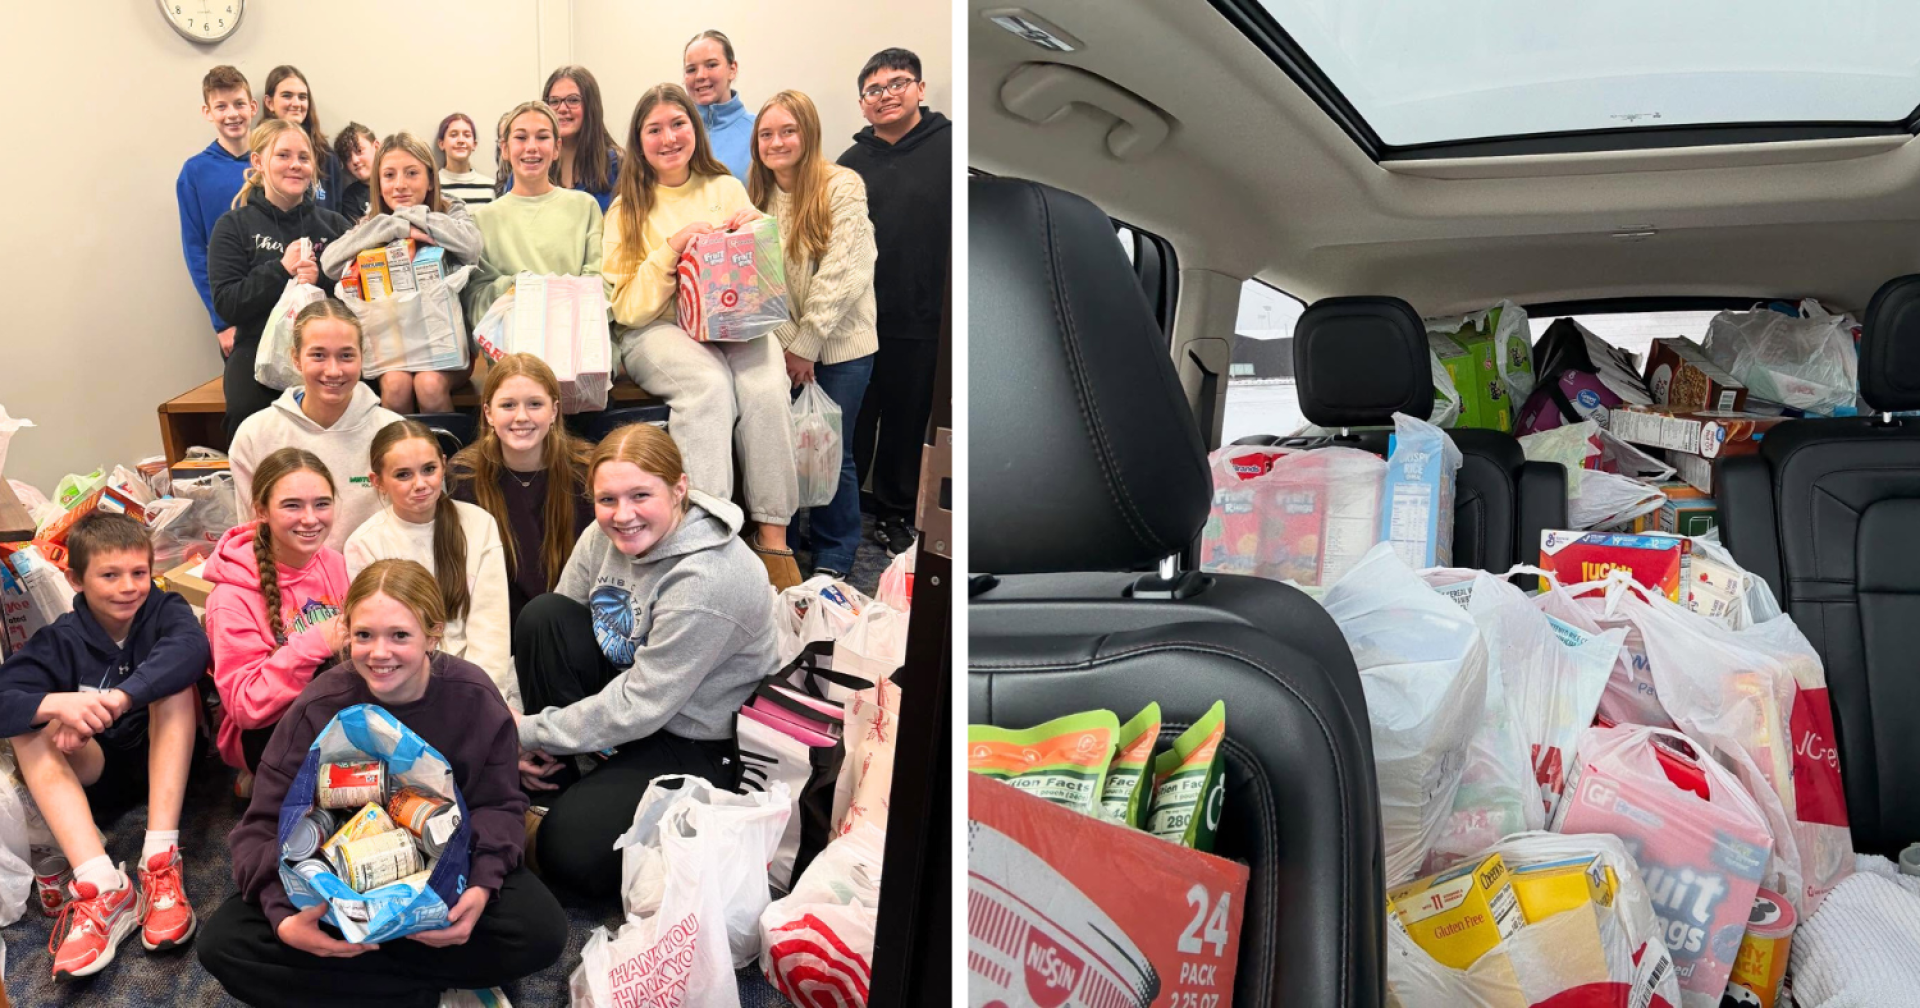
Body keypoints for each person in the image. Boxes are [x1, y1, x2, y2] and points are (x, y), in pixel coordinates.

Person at [200, 559, 565, 1008]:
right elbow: (260, 827)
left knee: (540, 930)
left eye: (400, 636)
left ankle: (366, 987)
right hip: (337, 887)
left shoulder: (473, 696)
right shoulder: (320, 704)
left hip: (443, 882)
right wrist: (281, 914)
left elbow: (500, 806)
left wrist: (482, 886)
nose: (379, 653)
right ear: (345, 632)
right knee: (223, 944)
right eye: (364, 635)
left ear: (433, 635)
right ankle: (428, 990)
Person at [512, 424, 776, 896]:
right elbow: (560, 616)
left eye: (640, 495)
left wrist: (522, 733)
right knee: (543, 617)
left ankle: (581, 788)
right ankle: (575, 773)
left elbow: (641, 706)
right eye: (607, 499)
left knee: (566, 855)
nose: (622, 515)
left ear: (679, 488)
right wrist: (515, 724)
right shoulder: (602, 533)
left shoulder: (708, 579)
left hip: (693, 737)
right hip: (629, 697)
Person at [603, 84, 800, 588]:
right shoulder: (625, 210)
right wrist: (672, 249)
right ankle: (707, 538)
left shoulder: (727, 189)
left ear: (695, 128)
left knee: (763, 389)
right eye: (654, 129)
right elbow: (627, 308)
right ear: (639, 140)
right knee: (708, 388)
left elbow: (760, 275)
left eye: (678, 124)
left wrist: (756, 232)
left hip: (735, 323)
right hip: (657, 329)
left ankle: (774, 543)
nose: (668, 137)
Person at [0, 512, 209, 981]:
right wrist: (58, 705)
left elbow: (192, 649)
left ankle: (160, 859)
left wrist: (117, 698)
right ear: (76, 578)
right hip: (100, 774)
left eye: (139, 573)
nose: (128, 587)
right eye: (109, 575)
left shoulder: (165, 609)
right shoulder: (58, 640)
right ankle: (102, 885)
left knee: (174, 684)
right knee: (28, 721)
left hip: (173, 763)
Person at [750, 90, 878, 581]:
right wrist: (786, 342)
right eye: (767, 134)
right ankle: (790, 540)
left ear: (808, 133)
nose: (777, 142)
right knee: (785, 445)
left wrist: (807, 344)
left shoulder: (841, 186)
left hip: (842, 345)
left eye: (788, 131)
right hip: (779, 345)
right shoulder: (756, 195)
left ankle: (836, 550)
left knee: (832, 451)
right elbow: (759, 276)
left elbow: (845, 271)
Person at [838, 48, 951, 558]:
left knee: (908, 422)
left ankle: (894, 513)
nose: (886, 95)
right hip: (856, 320)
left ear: (920, 89)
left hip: (923, 319)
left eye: (897, 83)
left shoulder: (950, 146)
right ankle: (845, 510)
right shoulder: (848, 165)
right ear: (863, 104)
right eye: (874, 90)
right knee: (854, 420)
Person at [347, 420, 514, 708]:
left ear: (444, 465)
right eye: (403, 475)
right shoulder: (364, 543)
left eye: (429, 469)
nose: (420, 484)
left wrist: (480, 697)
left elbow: (491, 629)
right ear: (378, 482)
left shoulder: (478, 524)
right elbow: (385, 639)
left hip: (480, 683)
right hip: (406, 687)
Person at [205, 448, 348, 774]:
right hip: (267, 731)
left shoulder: (334, 562)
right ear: (261, 510)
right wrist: (317, 642)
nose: (310, 518)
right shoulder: (230, 597)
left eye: (322, 504)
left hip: (332, 708)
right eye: (292, 505)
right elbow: (245, 707)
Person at [320, 132, 486, 413]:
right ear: (378, 181)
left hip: (447, 348)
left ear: (430, 179)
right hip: (392, 347)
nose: (400, 185)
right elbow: (329, 263)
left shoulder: (450, 209)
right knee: (396, 386)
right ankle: (396, 457)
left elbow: (471, 247)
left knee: (429, 385)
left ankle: (447, 457)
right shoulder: (373, 223)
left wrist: (414, 215)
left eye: (412, 173)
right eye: (389, 175)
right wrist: (394, 226)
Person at [208, 119, 352, 439]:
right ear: (258, 162)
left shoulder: (336, 226)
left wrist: (322, 284)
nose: (295, 165)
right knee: (247, 418)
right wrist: (280, 269)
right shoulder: (233, 227)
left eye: (303, 157)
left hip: (329, 353)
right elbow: (227, 305)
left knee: (361, 406)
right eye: (283, 155)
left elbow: (358, 300)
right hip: (256, 350)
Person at [230, 300, 405, 553]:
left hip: (377, 583)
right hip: (290, 584)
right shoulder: (255, 435)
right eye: (318, 355)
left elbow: (415, 528)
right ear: (296, 358)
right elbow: (252, 536)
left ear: (362, 358)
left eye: (346, 355)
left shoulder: (393, 432)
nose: (333, 371)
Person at [447, 354, 593, 635]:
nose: (522, 416)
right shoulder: (464, 476)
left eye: (535, 404)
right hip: (494, 626)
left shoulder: (586, 470)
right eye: (508, 405)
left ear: (554, 411)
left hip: (570, 625)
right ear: (489, 413)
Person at [465, 101, 603, 324]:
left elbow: (599, 282)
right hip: (513, 347)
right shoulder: (482, 221)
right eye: (521, 137)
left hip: (576, 338)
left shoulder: (585, 207)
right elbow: (477, 302)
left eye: (542, 137)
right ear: (505, 149)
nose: (531, 147)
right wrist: (519, 287)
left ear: (557, 148)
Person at [177, 64, 256, 361]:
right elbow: (195, 249)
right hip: (234, 310)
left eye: (238, 104)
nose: (232, 114)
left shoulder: (275, 161)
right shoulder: (195, 172)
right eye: (221, 106)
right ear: (207, 112)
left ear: (253, 106)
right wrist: (222, 322)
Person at [540, 66, 621, 211]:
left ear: (591, 106)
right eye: (554, 101)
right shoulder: (532, 164)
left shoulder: (617, 165)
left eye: (573, 100)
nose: (563, 109)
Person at [256, 65, 337, 210]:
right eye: (287, 95)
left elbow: (336, 211)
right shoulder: (259, 152)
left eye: (302, 97)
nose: (296, 103)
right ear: (269, 102)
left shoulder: (326, 156)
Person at [683, 30, 753, 180]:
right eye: (691, 69)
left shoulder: (760, 131)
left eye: (711, 65)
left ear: (732, 69)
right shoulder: (674, 135)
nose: (701, 76)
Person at [435, 113, 494, 208]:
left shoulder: (490, 187)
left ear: (474, 144)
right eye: (453, 135)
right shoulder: (433, 185)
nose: (461, 140)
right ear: (441, 144)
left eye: (467, 135)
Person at [330, 122, 377, 223]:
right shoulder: (350, 197)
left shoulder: (395, 183)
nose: (355, 160)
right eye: (347, 157)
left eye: (359, 151)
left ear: (376, 147)